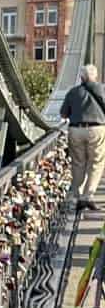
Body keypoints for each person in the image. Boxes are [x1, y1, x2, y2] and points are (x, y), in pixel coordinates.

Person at [61, 62, 105, 211]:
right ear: (95, 76)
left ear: (81, 77)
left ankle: (78, 197)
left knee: (78, 163)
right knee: (96, 163)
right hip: (96, 130)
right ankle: (88, 196)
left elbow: (63, 114)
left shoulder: (72, 92)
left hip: (75, 130)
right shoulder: (102, 89)